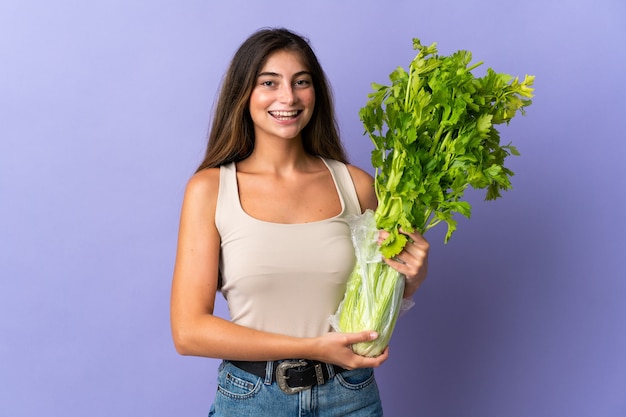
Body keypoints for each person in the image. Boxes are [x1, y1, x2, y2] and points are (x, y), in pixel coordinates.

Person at [170, 27, 430, 416]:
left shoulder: (357, 186)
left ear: (316, 94)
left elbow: (378, 294)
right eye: (269, 82)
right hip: (253, 399)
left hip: (349, 396)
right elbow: (188, 332)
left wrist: (413, 277)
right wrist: (310, 347)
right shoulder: (210, 190)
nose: (288, 97)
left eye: (301, 82)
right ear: (244, 94)